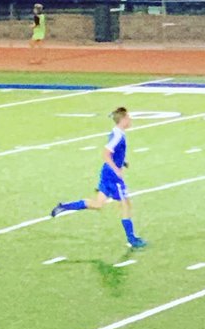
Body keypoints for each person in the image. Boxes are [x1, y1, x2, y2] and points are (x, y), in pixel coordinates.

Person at [51, 106, 147, 249]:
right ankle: (132, 239)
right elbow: (106, 153)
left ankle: (65, 206)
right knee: (126, 204)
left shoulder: (117, 132)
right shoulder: (118, 135)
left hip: (106, 172)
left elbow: (113, 153)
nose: (131, 120)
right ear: (124, 119)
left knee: (98, 204)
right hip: (112, 175)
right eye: (129, 117)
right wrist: (116, 169)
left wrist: (122, 162)